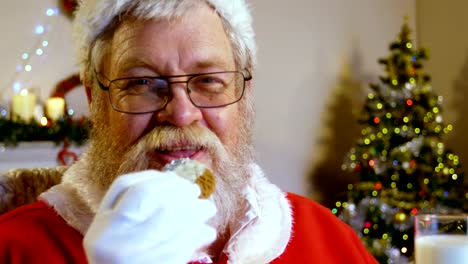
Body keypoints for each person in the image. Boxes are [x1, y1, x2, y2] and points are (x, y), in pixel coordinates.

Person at [0, 0, 378, 263]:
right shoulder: (14, 248)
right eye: (143, 83)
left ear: (242, 95)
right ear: (94, 99)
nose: (181, 113)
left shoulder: (329, 238)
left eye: (208, 80)